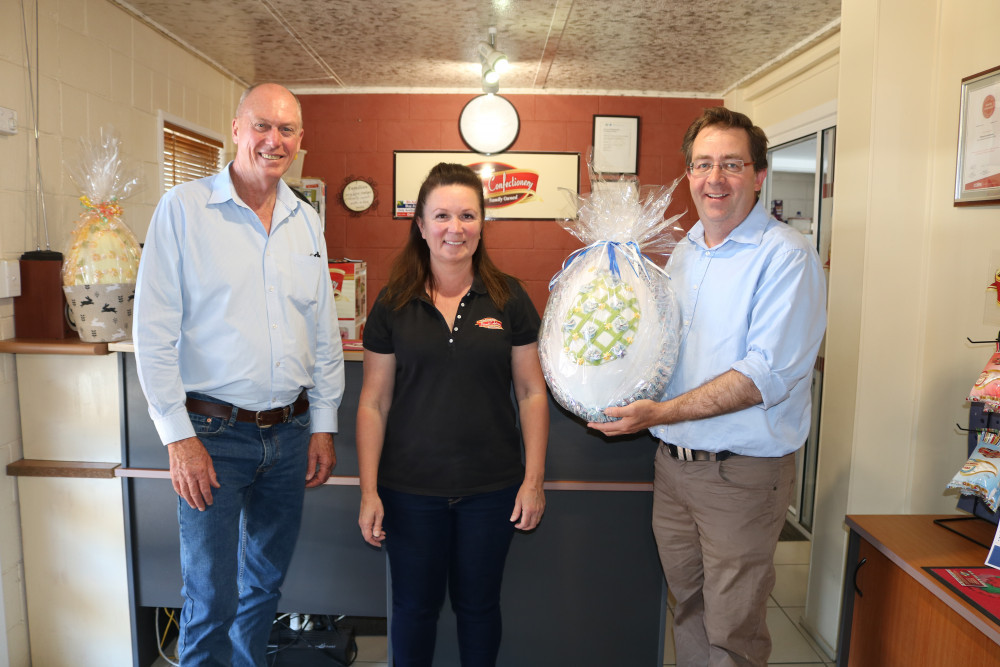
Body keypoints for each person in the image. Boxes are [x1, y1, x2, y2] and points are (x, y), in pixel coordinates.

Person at [590, 107, 827, 666]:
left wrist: (659, 411)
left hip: (739, 474)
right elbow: (667, 350)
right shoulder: (685, 252)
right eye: (702, 164)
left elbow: (760, 377)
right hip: (674, 469)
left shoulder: (786, 257)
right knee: (689, 609)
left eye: (731, 164)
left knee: (732, 627)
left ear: (758, 174)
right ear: (689, 173)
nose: (714, 179)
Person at [133, 82, 345, 666]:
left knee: (263, 592)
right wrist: (179, 439)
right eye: (262, 126)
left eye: (286, 130)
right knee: (209, 600)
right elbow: (151, 335)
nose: (272, 141)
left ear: (301, 141)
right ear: (235, 129)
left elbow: (322, 332)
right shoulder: (183, 211)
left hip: (290, 432)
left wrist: (323, 424)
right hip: (212, 439)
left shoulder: (306, 222)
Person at [356, 163, 549, 666]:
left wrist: (533, 481)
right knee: (414, 609)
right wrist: (370, 490)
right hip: (409, 490)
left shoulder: (509, 297)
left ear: (483, 224)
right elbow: (373, 401)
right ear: (420, 224)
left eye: (467, 215)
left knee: (479, 607)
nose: (454, 228)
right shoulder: (392, 302)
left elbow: (531, 392)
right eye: (441, 215)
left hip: (491, 489)